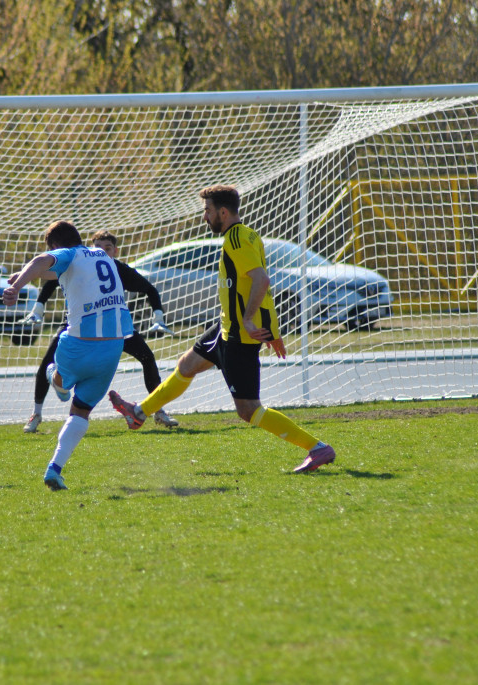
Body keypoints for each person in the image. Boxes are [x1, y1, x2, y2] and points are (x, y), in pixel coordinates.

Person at [108, 185, 336, 474]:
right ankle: (138, 413)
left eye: (207, 211)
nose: (205, 216)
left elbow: (261, 280)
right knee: (187, 365)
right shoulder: (248, 234)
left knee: (248, 409)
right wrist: (272, 329)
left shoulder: (236, 240)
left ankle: (317, 448)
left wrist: (251, 321)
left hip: (238, 335)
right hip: (225, 327)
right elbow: (259, 284)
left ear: (223, 212)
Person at [3, 220, 134, 490]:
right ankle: (55, 468)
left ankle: (58, 380)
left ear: (55, 246)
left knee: (59, 378)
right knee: (80, 411)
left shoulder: (66, 254)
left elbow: (43, 262)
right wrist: (24, 275)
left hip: (80, 341)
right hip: (114, 345)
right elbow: (54, 272)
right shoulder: (101, 255)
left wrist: (17, 287)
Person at [20, 229, 178, 433]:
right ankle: (37, 413)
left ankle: (158, 410)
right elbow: (52, 281)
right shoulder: (78, 262)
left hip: (114, 329)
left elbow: (149, 289)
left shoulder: (119, 268)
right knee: (47, 362)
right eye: (98, 247)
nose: (103, 251)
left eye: (108, 248)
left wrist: (158, 317)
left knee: (147, 357)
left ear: (115, 250)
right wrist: (38, 309)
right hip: (80, 326)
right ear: (90, 249)